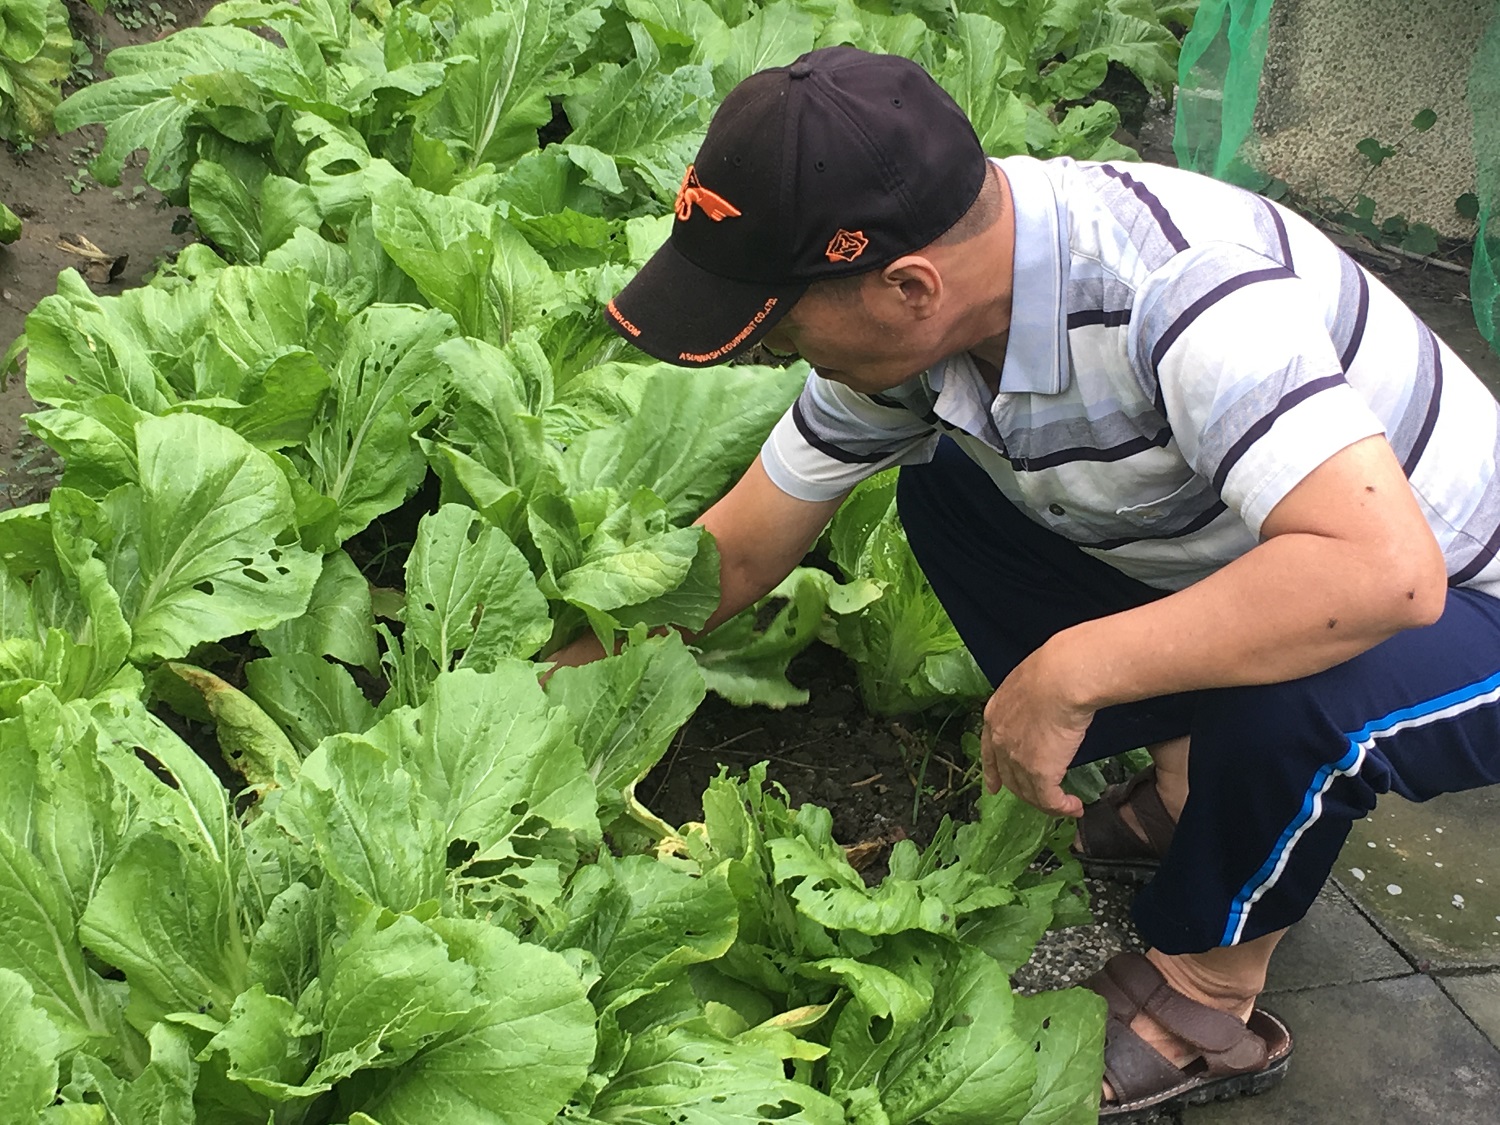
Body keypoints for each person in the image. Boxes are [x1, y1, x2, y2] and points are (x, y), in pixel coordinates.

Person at [559, 45, 1500, 1120]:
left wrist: (1075, 668)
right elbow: (746, 544)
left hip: (1464, 600)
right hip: (1295, 555)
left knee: (1300, 706)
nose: (771, 353)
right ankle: (1195, 785)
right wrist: (564, 678)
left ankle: (1208, 990)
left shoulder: (1182, 291)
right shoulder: (938, 320)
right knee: (951, 494)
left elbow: (1383, 578)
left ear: (909, 288)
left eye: (777, 323)